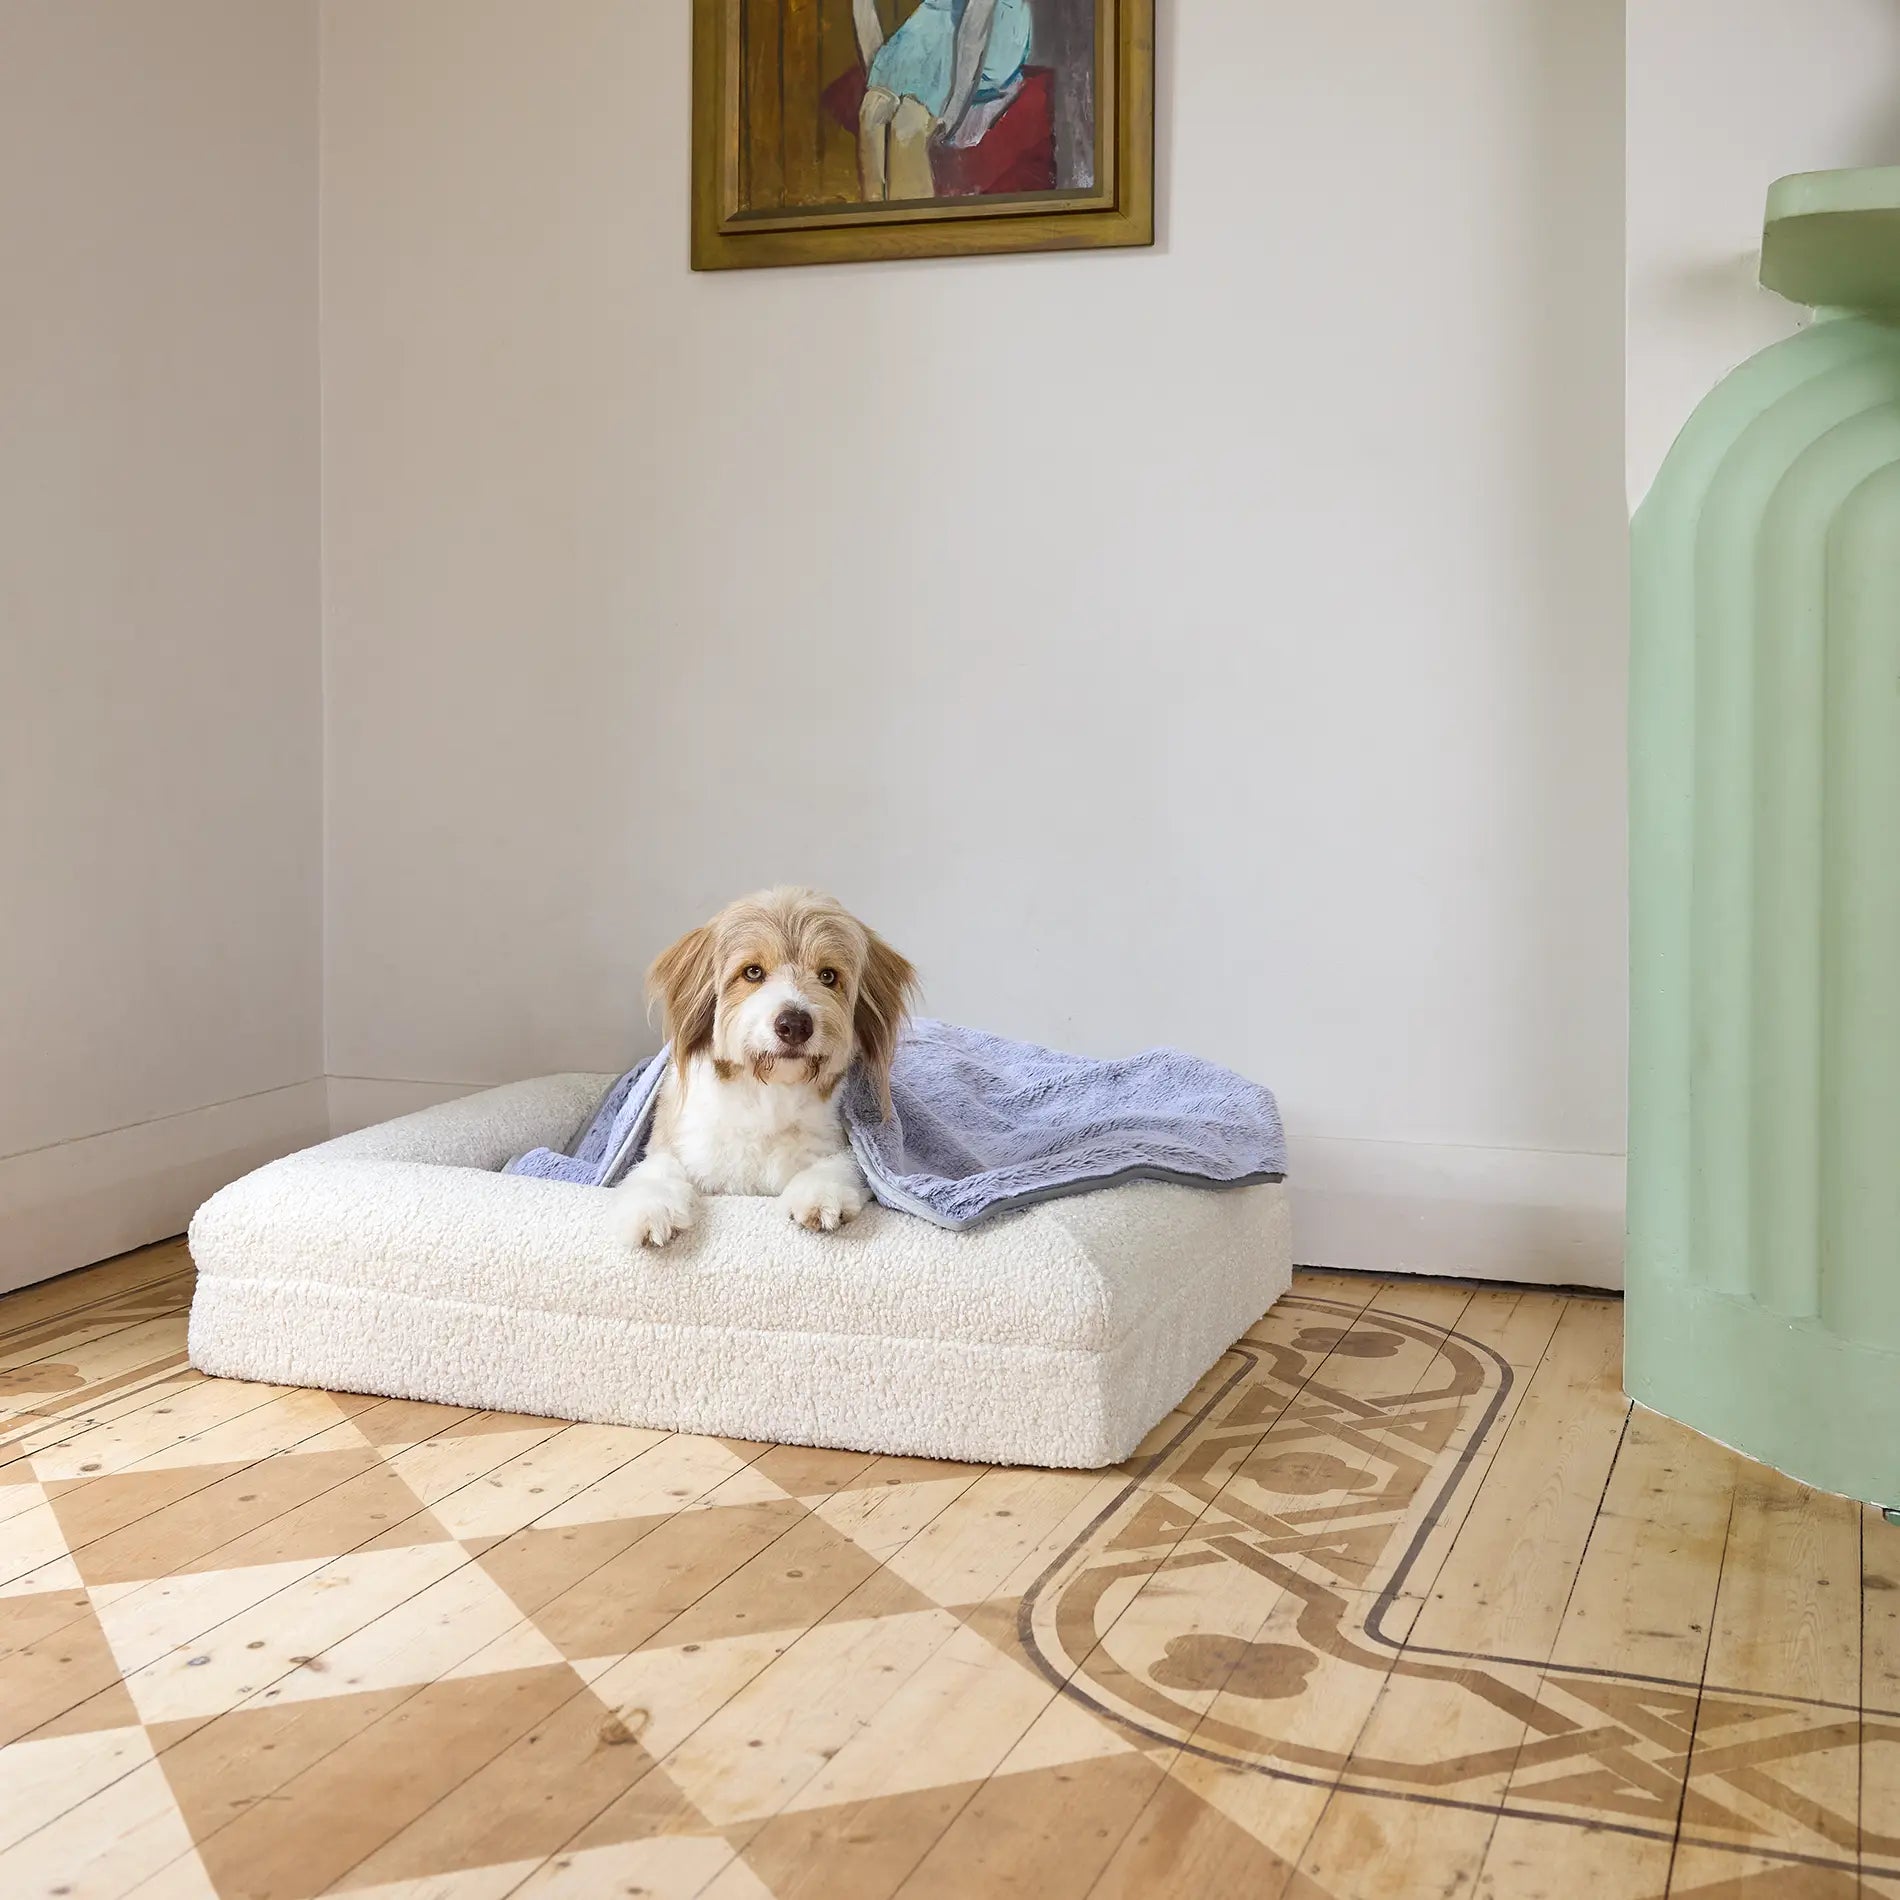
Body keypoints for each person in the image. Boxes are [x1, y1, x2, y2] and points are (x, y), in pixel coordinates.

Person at [852, 0, 1033, 202]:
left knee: (907, 125)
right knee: (871, 110)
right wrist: (879, 77)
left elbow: (975, 29)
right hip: (934, 22)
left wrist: (951, 114)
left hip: (992, 29)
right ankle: (876, 224)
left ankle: (913, 228)